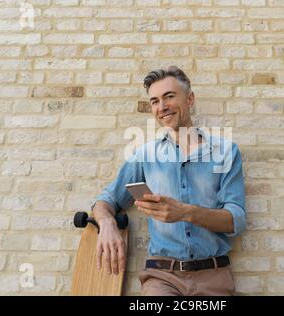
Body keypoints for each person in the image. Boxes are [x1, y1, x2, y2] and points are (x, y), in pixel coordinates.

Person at [92, 65, 246, 296]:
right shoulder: (145, 155)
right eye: (154, 101)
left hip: (213, 276)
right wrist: (106, 224)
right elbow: (105, 201)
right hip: (161, 277)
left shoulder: (225, 152)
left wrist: (185, 212)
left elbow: (236, 220)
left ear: (190, 98)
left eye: (169, 96)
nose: (161, 107)